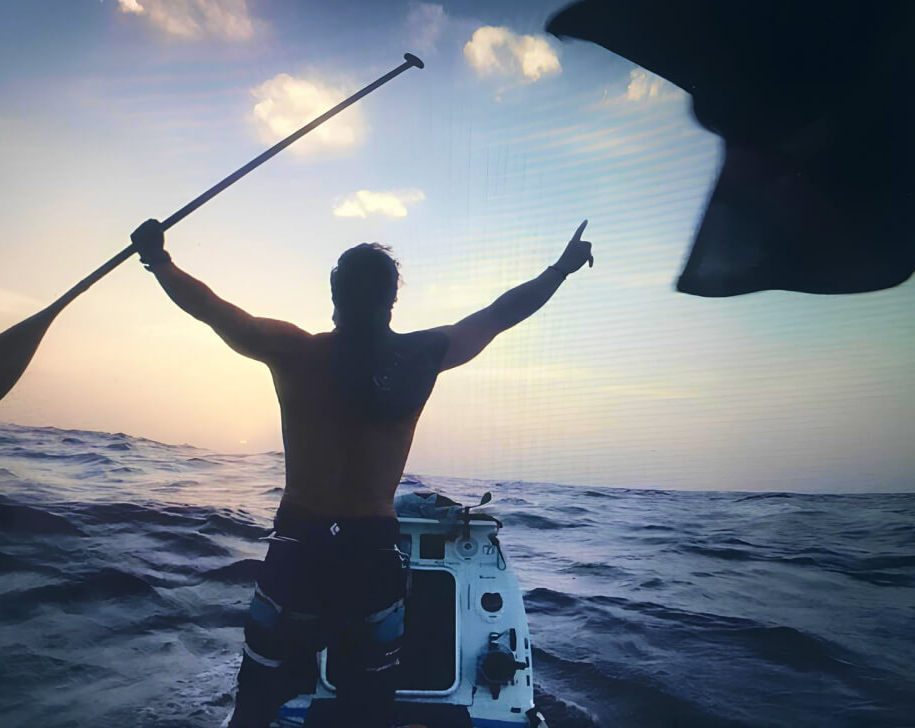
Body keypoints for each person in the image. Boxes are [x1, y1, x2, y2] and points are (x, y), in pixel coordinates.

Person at [129, 218, 595, 728]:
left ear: (334, 295)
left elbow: (216, 311)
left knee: (257, 701)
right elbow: (500, 315)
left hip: (299, 546)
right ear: (393, 299)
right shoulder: (421, 355)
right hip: (371, 554)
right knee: (364, 707)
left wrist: (159, 261)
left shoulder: (295, 351)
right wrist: (560, 270)